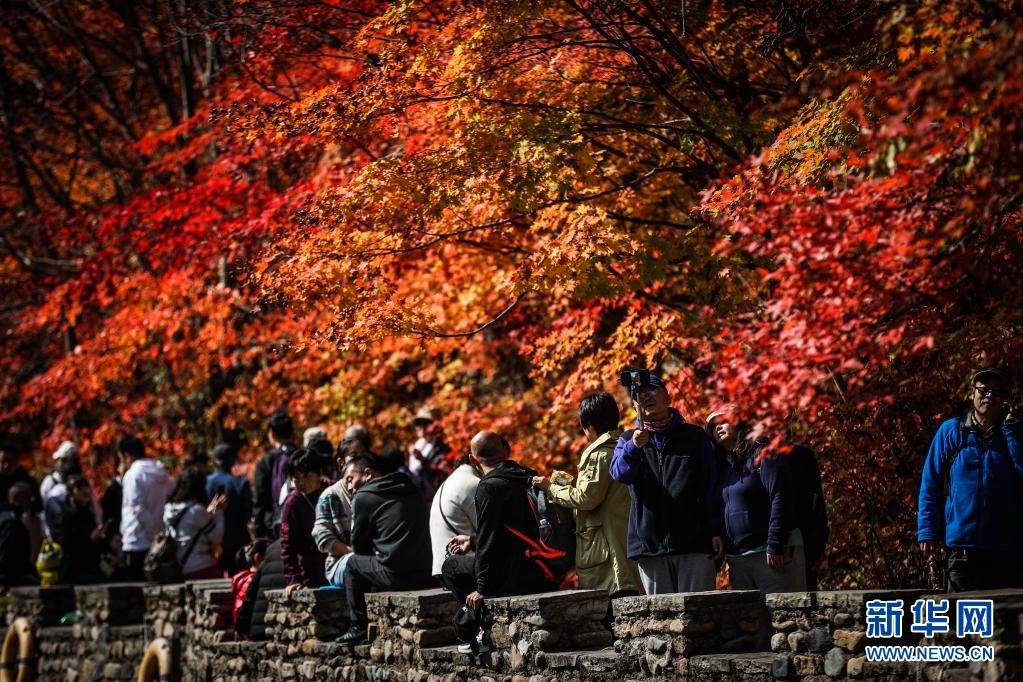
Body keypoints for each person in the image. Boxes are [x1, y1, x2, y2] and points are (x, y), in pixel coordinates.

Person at [610, 369, 722, 595]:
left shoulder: (694, 436)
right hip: (649, 547)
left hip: (694, 543)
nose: (646, 397)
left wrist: (715, 530)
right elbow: (620, 474)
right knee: (663, 623)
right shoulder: (626, 440)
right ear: (635, 406)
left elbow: (711, 487)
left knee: (701, 615)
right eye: (639, 394)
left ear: (667, 397)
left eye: (652, 390)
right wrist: (634, 447)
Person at [439, 431, 556, 644]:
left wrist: (482, 589)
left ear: (474, 460)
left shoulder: (489, 486)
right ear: (505, 450)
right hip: (541, 567)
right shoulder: (529, 475)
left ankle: (477, 628)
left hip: (512, 575)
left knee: (450, 566)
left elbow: (489, 539)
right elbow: (509, 531)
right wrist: (471, 541)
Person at [918, 367, 1023, 592]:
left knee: (1005, 625)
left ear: (1006, 399)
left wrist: (1013, 432)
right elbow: (931, 483)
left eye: (997, 391)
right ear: (972, 393)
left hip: (1007, 549)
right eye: (983, 389)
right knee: (962, 624)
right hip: (962, 549)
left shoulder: (1014, 435)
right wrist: (928, 530)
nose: (989, 395)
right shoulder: (952, 432)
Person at [707, 409, 804, 649]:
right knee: (759, 633)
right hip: (739, 559)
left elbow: (781, 497)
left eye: (722, 421)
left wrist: (775, 543)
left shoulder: (764, 453)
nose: (717, 427)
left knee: (788, 626)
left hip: (770, 555)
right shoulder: (723, 468)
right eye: (712, 426)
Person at [532, 393, 641, 601]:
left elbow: (586, 498)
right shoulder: (625, 445)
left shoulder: (599, 453)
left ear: (589, 427)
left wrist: (550, 488)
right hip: (624, 542)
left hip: (607, 555)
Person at [334, 456, 433, 645]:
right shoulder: (411, 489)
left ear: (368, 473)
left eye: (349, 478)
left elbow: (359, 548)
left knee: (353, 564)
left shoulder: (363, 497)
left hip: (398, 576)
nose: (348, 486)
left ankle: (358, 627)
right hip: (428, 573)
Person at [119, 435, 173, 581]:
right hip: (161, 541)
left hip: (137, 539)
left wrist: (152, 532)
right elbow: (170, 497)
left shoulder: (132, 475)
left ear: (127, 455)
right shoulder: (162, 472)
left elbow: (137, 507)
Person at [164, 466, 226, 581]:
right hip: (199, 567)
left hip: (175, 568)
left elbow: (190, 527)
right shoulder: (196, 510)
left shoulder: (169, 508)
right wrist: (219, 512)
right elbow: (217, 537)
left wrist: (209, 511)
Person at [280, 450, 328, 590]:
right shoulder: (292, 504)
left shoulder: (332, 489)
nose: (301, 483)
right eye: (296, 478)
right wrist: (293, 578)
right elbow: (286, 544)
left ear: (319, 473)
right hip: (309, 573)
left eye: (307, 476)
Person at [429, 451, 479, 580]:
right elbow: (489, 533)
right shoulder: (472, 483)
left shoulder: (451, 481)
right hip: (463, 570)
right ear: (475, 461)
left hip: (443, 568)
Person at [206, 444, 253, 576]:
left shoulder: (206, 483)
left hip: (212, 541)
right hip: (238, 540)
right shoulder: (241, 483)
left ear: (214, 461)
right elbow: (248, 514)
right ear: (233, 461)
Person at [313, 445, 355, 588]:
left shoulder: (372, 492)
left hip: (370, 559)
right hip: (340, 562)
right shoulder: (330, 496)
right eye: (354, 457)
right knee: (358, 563)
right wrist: (353, 551)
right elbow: (322, 538)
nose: (359, 462)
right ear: (341, 462)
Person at [253, 409, 298, 538]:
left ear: (271, 433)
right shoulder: (301, 455)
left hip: (275, 525)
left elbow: (260, 498)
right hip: (303, 520)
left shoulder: (266, 461)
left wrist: (258, 532)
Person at [59, 475, 108, 584]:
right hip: (77, 568)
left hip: (92, 564)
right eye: (79, 488)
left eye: (86, 487)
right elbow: (68, 543)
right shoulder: (69, 515)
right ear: (72, 491)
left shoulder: (89, 512)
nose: (85, 491)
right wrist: (90, 538)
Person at [235, 539, 286, 641]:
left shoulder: (271, 551)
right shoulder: (248, 580)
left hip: (256, 631)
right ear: (257, 558)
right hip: (274, 631)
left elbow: (248, 600)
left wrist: (239, 628)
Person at [0, 483, 39, 587]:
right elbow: (5, 553)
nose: (32, 500)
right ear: (16, 499)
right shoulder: (11, 522)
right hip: (10, 578)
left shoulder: (9, 517)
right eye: (27, 497)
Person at [409, 406, 451, 497]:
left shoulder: (443, 447)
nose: (422, 428)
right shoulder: (418, 445)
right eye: (419, 424)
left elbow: (440, 475)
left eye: (426, 424)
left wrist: (423, 460)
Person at [232, 539, 269, 633]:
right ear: (258, 558)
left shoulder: (242, 579)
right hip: (248, 630)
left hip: (242, 627)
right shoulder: (252, 581)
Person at [0, 443, 42, 515]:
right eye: (3, 461)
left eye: (9, 461)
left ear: (17, 461)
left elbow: (39, 506)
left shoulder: (26, 479)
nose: (6, 465)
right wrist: (12, 506)